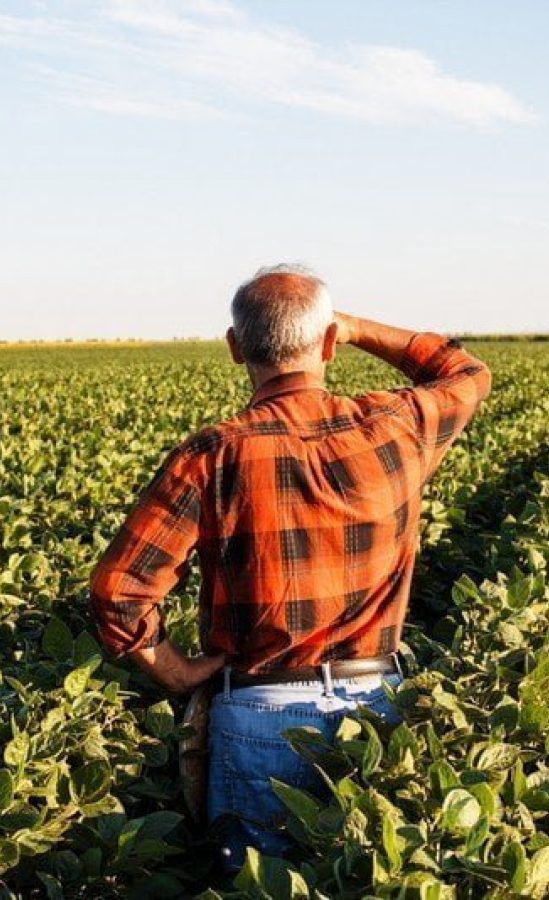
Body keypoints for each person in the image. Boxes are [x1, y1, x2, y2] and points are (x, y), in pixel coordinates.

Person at [88, 264, 491, 868]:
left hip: (257, 714)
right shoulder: (396, 426)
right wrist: (356, 327)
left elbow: (119, 591)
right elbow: (465, 372)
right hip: (375, 711)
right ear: (329, 343)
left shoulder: (213, 454)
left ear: (234, 347)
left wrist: (172, 670)